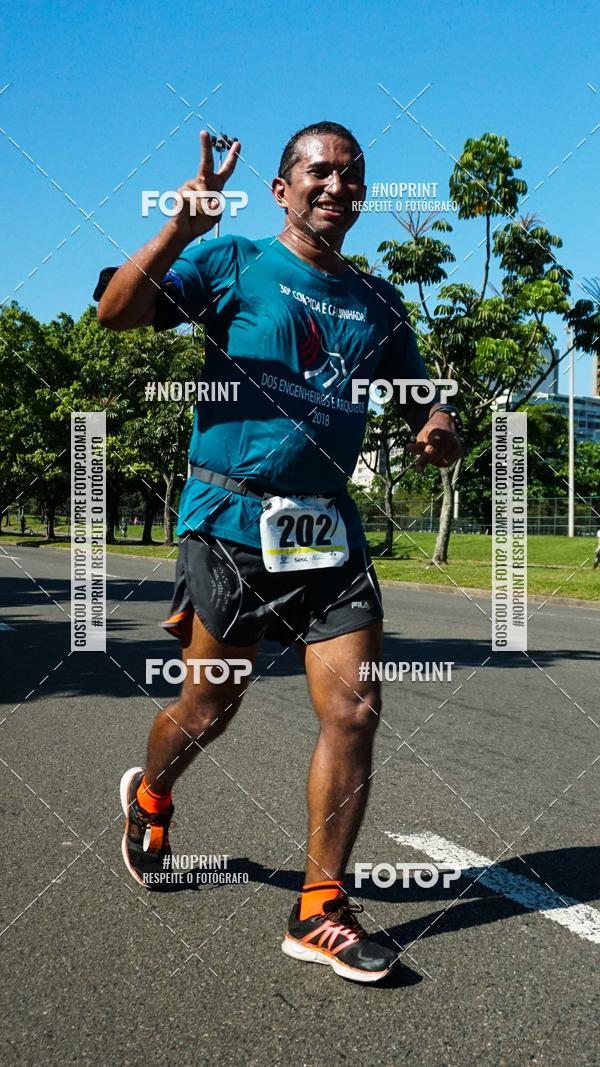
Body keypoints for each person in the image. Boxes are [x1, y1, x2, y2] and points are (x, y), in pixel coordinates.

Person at [95, 122, 462, 984]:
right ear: (282, 188)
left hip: (329, 531)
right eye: (320, 171)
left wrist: (439, 424)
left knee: (356, 709)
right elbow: (116, 314)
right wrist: (181, 227)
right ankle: (150, 795)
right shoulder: (233, 262)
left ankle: (319, 906)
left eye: (352, 175)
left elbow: (421, 399)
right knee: (209, 707)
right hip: (231, 520)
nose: (337, 186)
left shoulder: (379, 304)